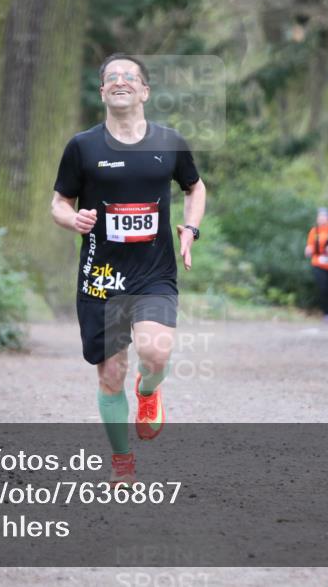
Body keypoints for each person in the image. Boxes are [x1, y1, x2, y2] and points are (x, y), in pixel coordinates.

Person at [50, 53, 206, 486]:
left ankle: (149, 390)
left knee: (156, 352)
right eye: (111, 77)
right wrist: (71, 219)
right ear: (102, 92)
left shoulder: (169, 142)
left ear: (144, 91)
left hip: (153, 271)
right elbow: (59, 202)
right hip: (101, 276)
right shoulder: (82, 146)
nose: (120, 81)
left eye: (129, 76)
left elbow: (195, 187)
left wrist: (190, 228)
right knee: (110, 372)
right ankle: (122, 462)